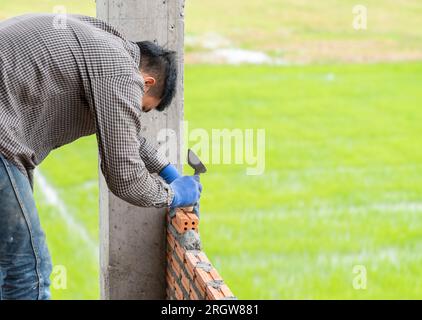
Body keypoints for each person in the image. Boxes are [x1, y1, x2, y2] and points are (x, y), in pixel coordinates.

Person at [0, 13, 201, 300]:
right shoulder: (121, 72)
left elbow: (125, 135)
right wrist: (172, 194)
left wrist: (167, 169)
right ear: (146, 82)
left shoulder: (104, 45)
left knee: (6, 264)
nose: (135, 113)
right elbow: (124, 178)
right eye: (141, 109)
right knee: (27, 270)